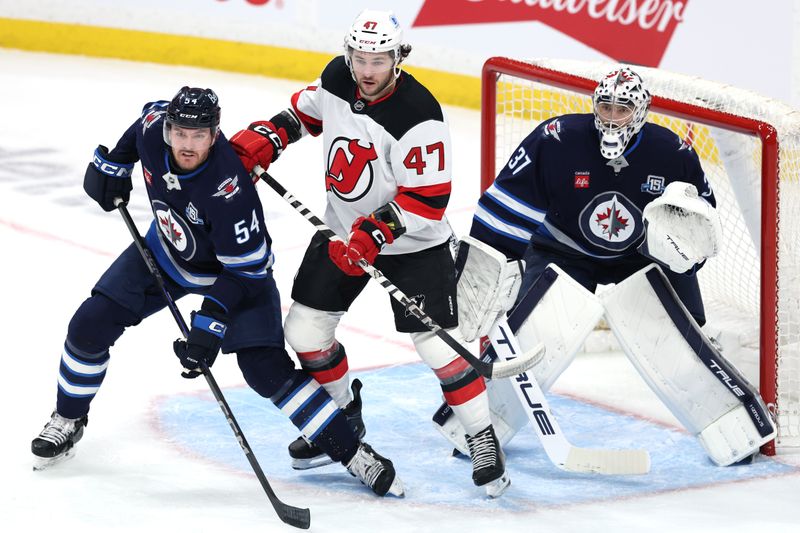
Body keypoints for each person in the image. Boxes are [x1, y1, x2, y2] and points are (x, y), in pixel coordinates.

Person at [31, 86, 403, 497]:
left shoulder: (229, 188)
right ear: (169, 129)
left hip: (237, 276)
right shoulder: (156, 126)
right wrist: (114, 163)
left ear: (215, 135)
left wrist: (210, 322)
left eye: (199, 136)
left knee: (265, 371)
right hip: (167, 253)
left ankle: (354, 454)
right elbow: (142, 122)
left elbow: (245, 271)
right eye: (181, 134)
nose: (187, 145)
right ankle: (68, 419)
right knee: (89, 324)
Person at [230, 10, 508, 496]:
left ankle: (482, 436)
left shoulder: (418, 113)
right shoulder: (338, 76)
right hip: (342, 234)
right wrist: (269, 137)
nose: (366, 69)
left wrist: (375, 233)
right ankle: (340, 417)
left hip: (413, 244)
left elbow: (429, 198)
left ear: (398, 58)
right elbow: (306, 114)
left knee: (439, 346)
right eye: (359, 57)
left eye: (378, 59)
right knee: (303, 330)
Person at [440, 66, 776, 467]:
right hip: (561, 250)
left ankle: (735, 426)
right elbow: (504, 207)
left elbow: (698, 232)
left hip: (641, 257)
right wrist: (489, 271)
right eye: (606, 106)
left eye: (623, 108)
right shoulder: (557, 139)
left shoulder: (672, 153)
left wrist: (681, 256)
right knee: (528, 334)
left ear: (642, 111)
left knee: (684, 338)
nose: (613, 117)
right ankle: (476, 427)